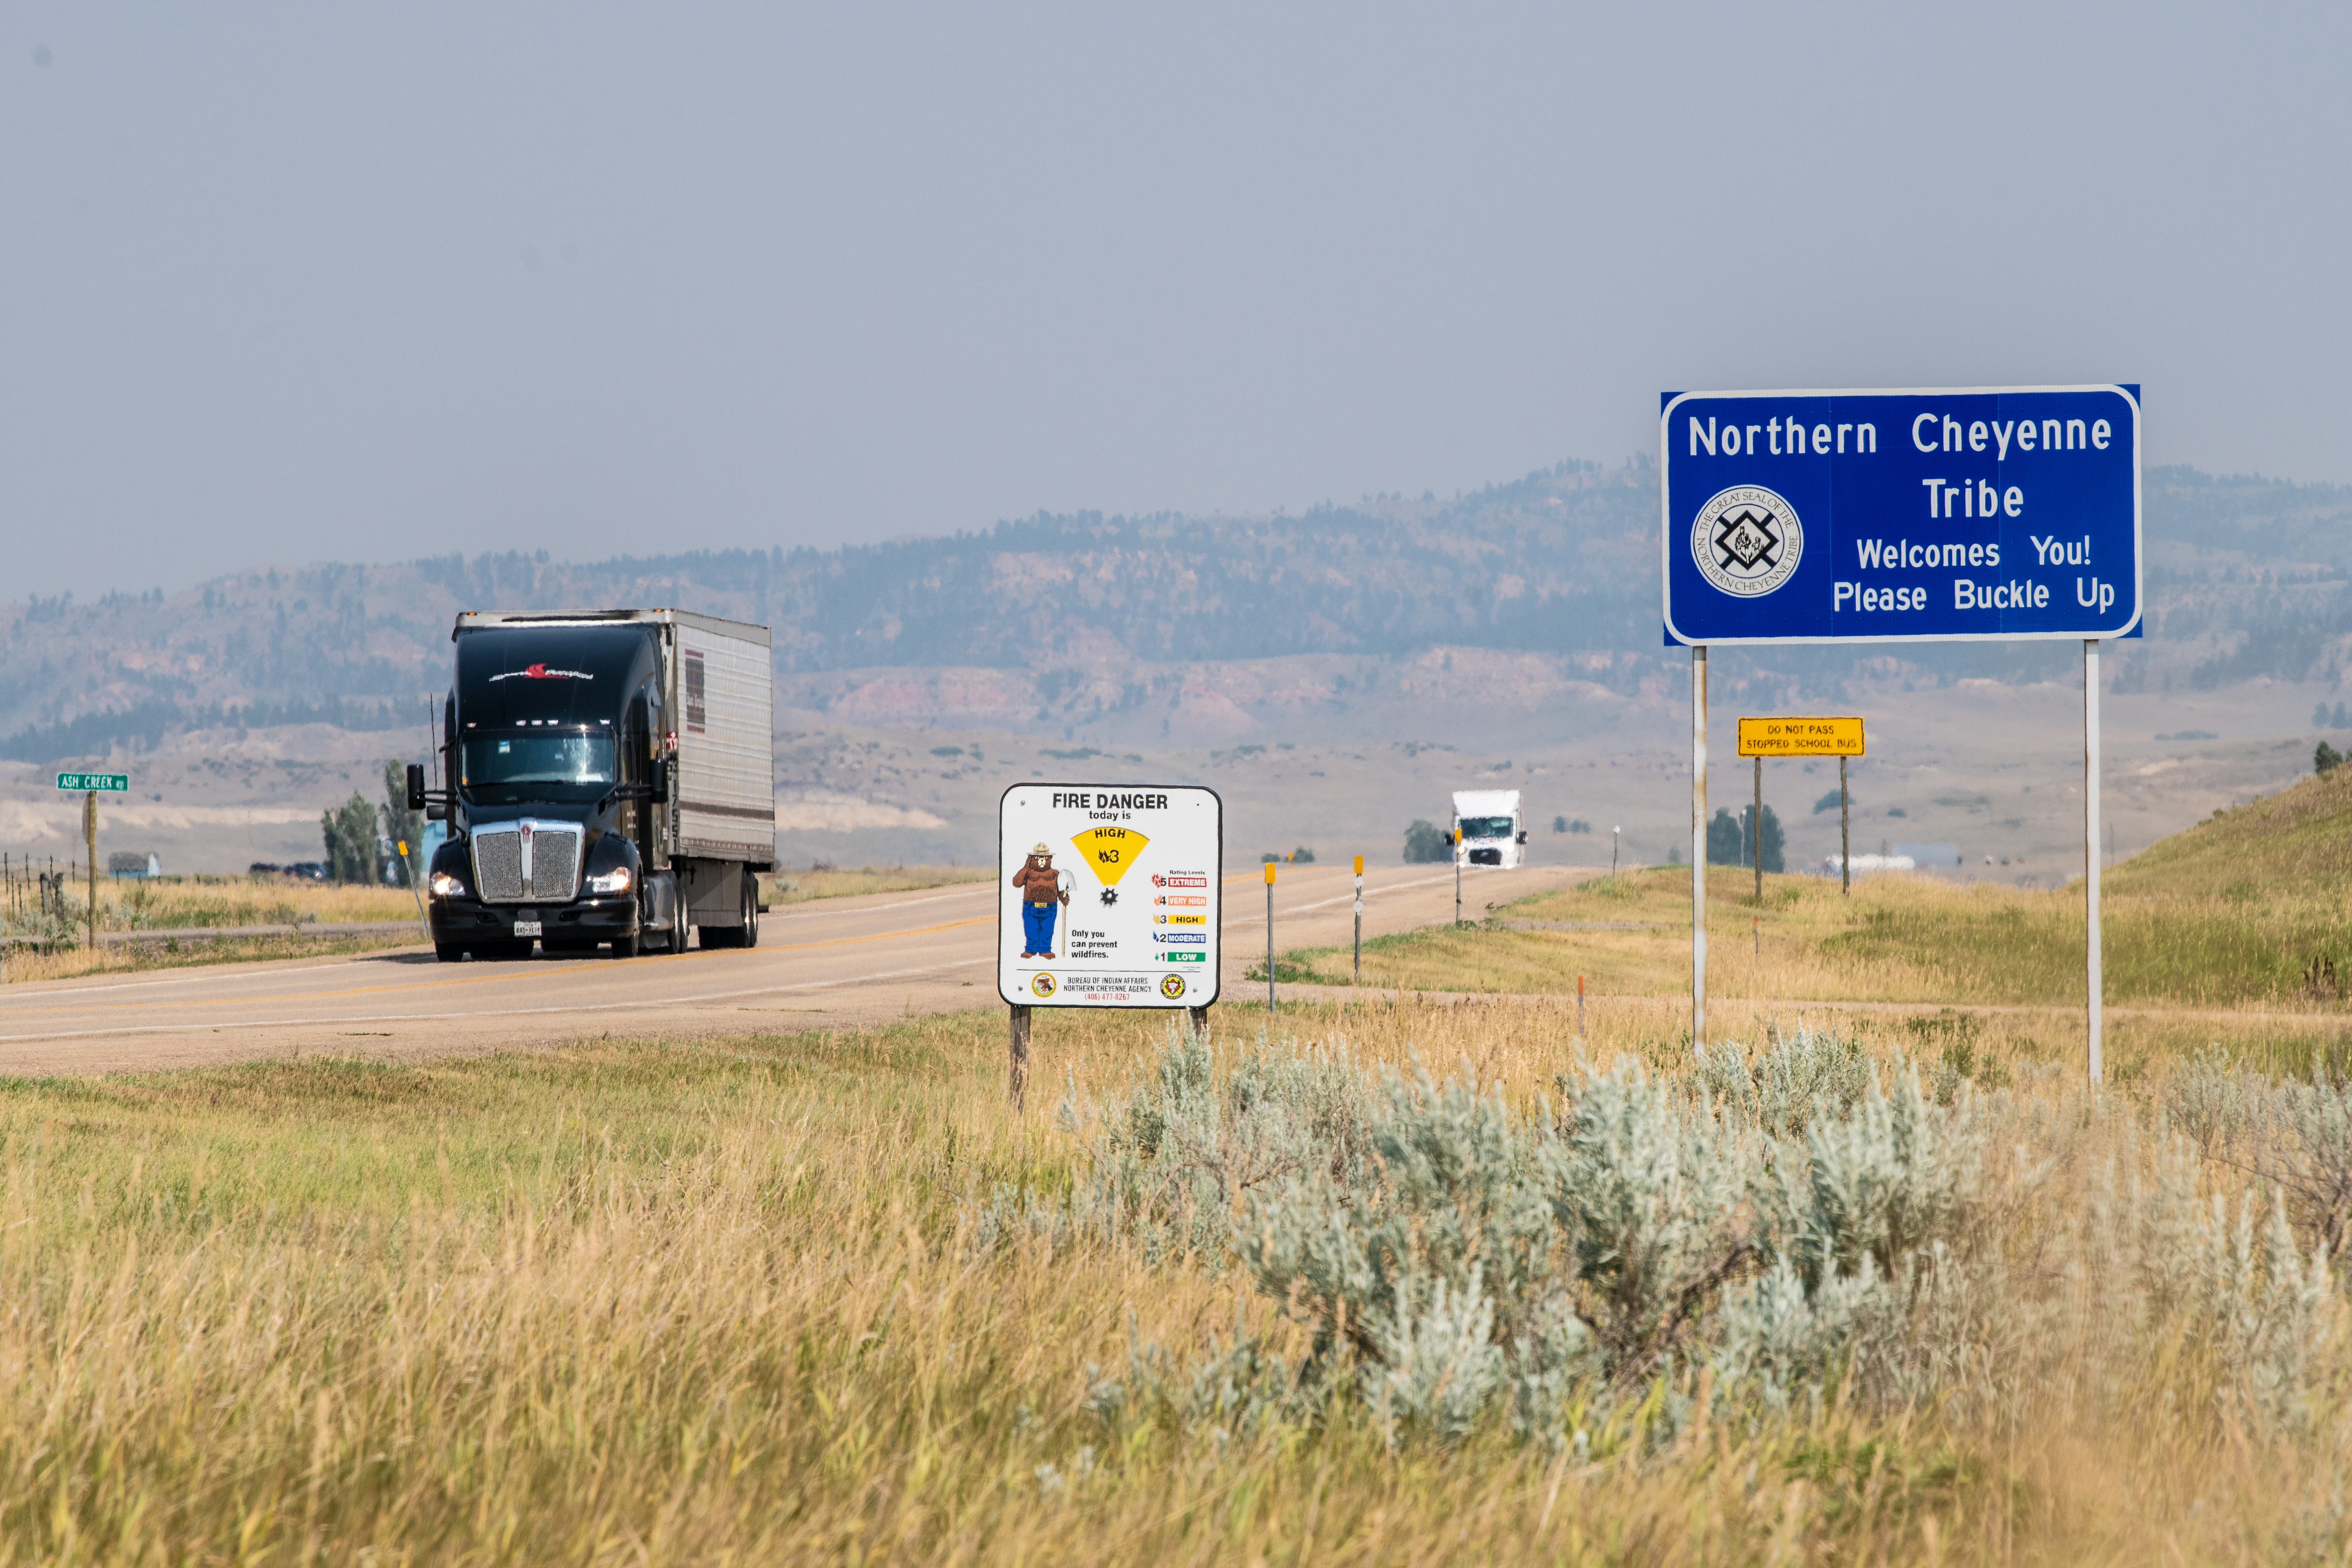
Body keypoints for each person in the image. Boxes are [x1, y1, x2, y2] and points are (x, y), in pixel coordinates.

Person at [1011, 841, 1069, 958]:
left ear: (1050, 859)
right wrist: (1027, 866)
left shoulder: (1055, 874)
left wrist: (1064, 897)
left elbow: (1061, 889)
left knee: (1047, 929)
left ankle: (1045, 949)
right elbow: (1017, 883)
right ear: (1032, 859)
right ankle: (1031, 949)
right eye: (1038, 858)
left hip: (1050, 907)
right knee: (1031, 928)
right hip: (1031, 907)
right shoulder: (1029, 873)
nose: (1042, 861)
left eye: (1045, 858)